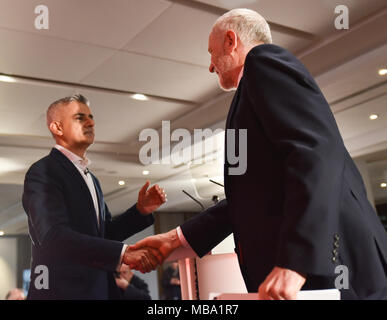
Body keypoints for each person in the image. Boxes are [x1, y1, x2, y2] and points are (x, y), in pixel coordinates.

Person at [130, 9, 387, 300]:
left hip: (338, 270)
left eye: (212, 53)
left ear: (231, 41)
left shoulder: (263, 62)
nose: (211, 67)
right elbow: (250, 196)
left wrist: (296, 261)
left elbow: (314, 154)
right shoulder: (252, 88)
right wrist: (174, 238)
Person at [22, 94, 165, 299]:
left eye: (91, 117)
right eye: (80, 117)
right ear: (57, 128)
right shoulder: (43, 171)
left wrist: (140, 211)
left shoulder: (92, 179)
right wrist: (123, 253)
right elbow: (54, 237)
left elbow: (103, 235)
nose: (91, 122)